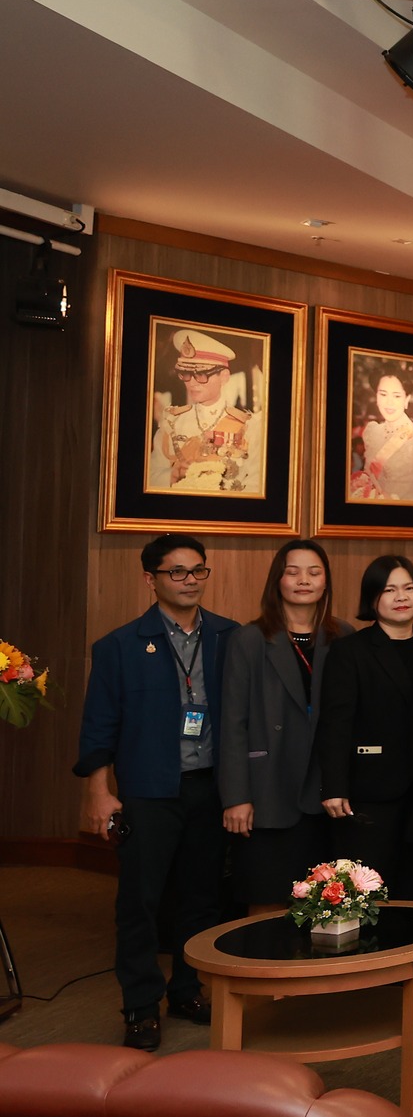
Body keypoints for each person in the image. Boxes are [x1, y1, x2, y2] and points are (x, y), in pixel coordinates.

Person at [75, 533, 236, 1051]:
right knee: (140, 902)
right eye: (177, 572)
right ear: (151, 579)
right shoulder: (120, 646)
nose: (190, 581)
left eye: (198, 570)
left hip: (211, 788)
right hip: (148, 791)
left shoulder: (230, 638)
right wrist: (100, 792)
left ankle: (186, 990)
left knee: (202, 897)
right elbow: (99, 727)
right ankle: (141, 1006)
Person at [219, 539, 346, 910]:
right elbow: (233, 724)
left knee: (327, 905)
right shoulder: (249, 639)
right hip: (267, 790)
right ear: (278, 580)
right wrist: (236, 797)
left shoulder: (344, 637)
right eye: (293, 572)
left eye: (314, 572)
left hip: (326, 792)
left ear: (326, 581)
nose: (304, 580)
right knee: (265, 902)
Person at [315, 555, 413, 898]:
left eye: (409, 588)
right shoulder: (350, 650)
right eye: (389, 590)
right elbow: (336, 723)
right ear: (372, 598)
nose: (401, 597)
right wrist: (334, 786)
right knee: (370, 887)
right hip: (371, 789)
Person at [148, 329, 257, 494]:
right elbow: (150, 476)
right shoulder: (172, 423)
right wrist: (172, 476)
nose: (192, 383)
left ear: (224, 376)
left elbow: (256, 483)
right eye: (186, 374)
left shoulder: (247, 427)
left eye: (202, 374)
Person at [349, 369, 413, 502]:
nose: (389, 402)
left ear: (406, 399)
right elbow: (370, 475)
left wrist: (395, 501)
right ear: (376, 397)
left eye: (396, 396)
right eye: (383, 394)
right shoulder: (372, 432)